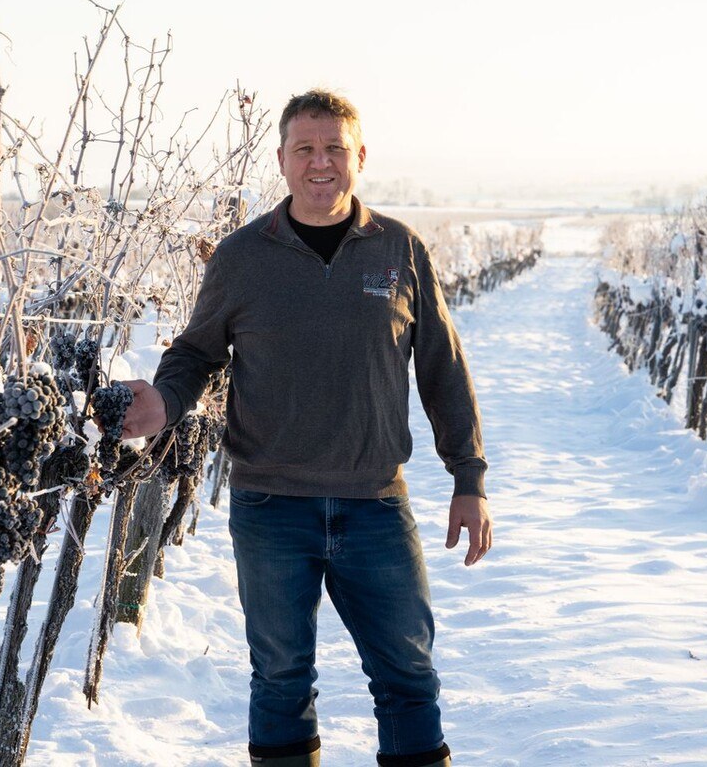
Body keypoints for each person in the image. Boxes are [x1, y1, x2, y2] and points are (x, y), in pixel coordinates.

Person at [115, 89, 492, 767]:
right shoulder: (241, 257)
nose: (321, 163)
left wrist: (469, 478)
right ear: (283, 161)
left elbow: (443, 368)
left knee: (408, 678)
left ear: (360, 158)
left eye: (335, 149)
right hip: (269, 507)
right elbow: (196, 353)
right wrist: (167, 405)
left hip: (376, 502)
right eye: (305, 150)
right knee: (281, 682)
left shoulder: (400, 250)